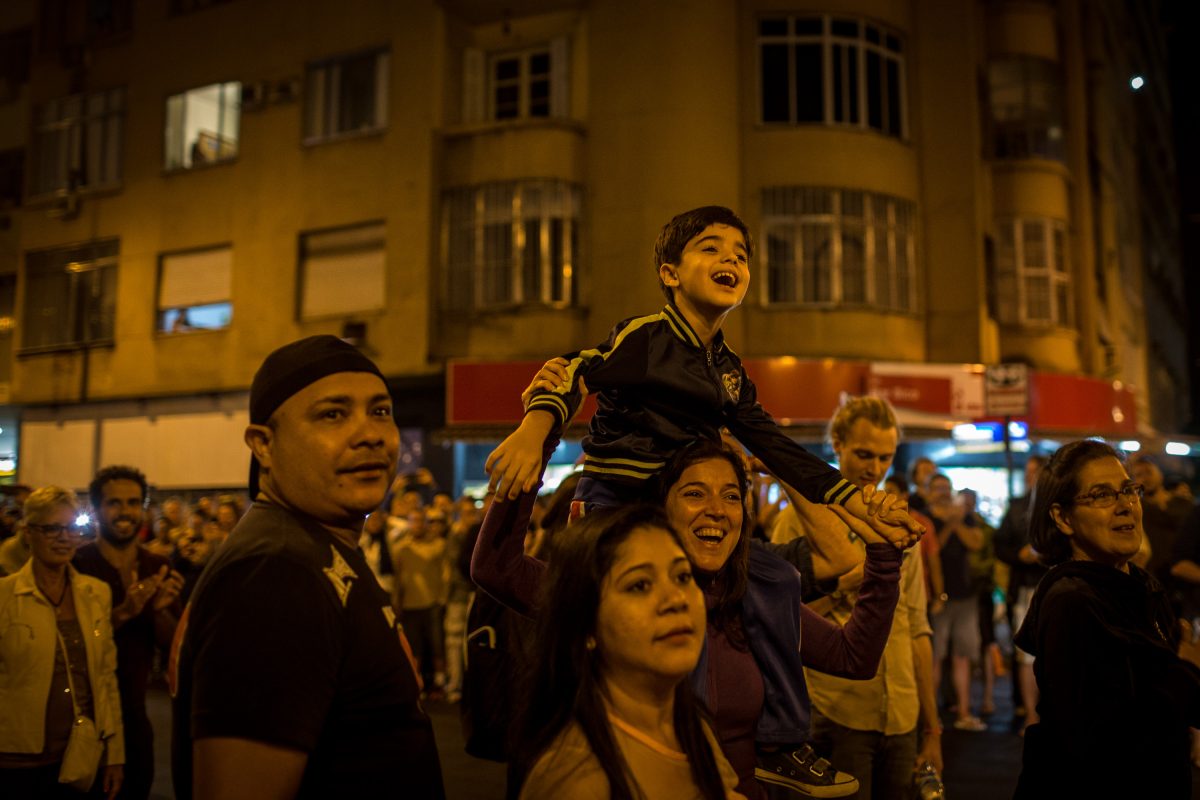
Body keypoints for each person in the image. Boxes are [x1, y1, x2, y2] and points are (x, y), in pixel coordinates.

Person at [474, 434, 905, 799]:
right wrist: (539, 440)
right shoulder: (613, 595)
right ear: (662, 508)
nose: (717, 508)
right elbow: (499, 568)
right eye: (695, 492)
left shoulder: (755, 595)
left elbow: (853, 657)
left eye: (732, 495)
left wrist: (884, 558)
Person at [486, 206, 924, 548]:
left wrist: (855, 500)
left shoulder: (729, 369)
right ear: (670, 273)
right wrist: (534, 429)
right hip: (616, 506)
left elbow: (772, 444)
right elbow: (574, 370)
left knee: (771, 584)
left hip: (685, 510)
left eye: (740, 254)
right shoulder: (647, 337)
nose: (729, 258)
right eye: (710, 248)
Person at [170, 334, 444, 799]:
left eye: (380, 411)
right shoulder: (273, 572)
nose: (370, 433)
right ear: (264, 445)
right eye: (333, 414)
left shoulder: (314, 547)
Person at [515, 504, 743, 799]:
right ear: (586, 624)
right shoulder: (575, 781)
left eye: (683, 577)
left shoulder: (691, 728)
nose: (676, 599)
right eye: (639, 585)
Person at [1014, 439, 1200, 798]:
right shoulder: (1073, 601)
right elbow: (1100, 741)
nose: (1125, 506)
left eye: (1128, 490)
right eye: (1101, 495)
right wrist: (1187, 668)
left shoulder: (1143, 586)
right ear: (1063, 518)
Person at [792, 397, 944, 800]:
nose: (874, 468)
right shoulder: (802, 516)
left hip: (902, 714)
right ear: (837, 443)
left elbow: (916, 626)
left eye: (885, 456)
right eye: (863, 453)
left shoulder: (896, 518)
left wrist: (932, 728)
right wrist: (847, 583)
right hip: (836, 710)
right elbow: (784, 620)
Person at [0, 486, 124, 798]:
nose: (64, 537)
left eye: (71, 528)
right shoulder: (4, 596)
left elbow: (106, 678)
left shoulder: (96, 593)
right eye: (51, 528)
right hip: (14, 760)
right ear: (28, 533)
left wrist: (114, 753)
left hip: (78, 753)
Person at [74, 465, 183, 800]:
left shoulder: (157, 565)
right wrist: (124, 613)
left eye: (134, 503)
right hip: (84, 717)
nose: (125, 512)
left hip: (135, 716)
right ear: (96, 509)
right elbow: (71, 644)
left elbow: (169, 645)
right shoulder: (78, 563)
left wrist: (161, 608)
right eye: (114, 503)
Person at [925, 473, 986, 732]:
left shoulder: (964, 515)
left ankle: (963, 712)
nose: (943, 492)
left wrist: (956, 521)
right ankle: (931, 719)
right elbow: (931, 549)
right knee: (935, 658)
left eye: (946, 487)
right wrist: (950, 524)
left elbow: (976, 543)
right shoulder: (924, 519)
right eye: (938, 488)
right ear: (928, 491)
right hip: (938, 599)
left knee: (963, 656)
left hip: (965, 596)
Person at [994, 455, 1047, 731]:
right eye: (1027, 471)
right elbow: (999, 545)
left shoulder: (1056, 506)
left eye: (1035, 471)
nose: (1030, 476)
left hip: (1052, 584)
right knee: (1026, 655)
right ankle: (1030, 713)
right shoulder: (1016, 507)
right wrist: (1019, 555)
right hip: (1025, 586)